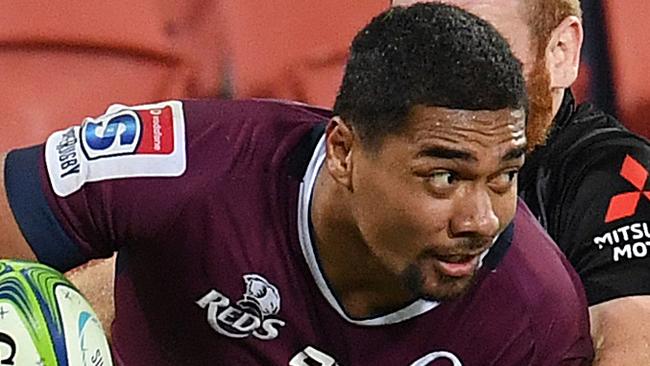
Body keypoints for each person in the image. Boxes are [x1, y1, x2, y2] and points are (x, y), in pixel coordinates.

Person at [0, 4, 593, 365]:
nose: (482, 220)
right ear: (343, 152)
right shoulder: (188, 164)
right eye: (444, 176)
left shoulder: (536, 317)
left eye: (504, 176)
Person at [392, 0, 650, 364]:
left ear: (561, 53)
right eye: (413, 50)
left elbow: (632, 342)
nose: (437, 85)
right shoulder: (344, 164)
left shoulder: (613, 174)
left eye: (476, 51)